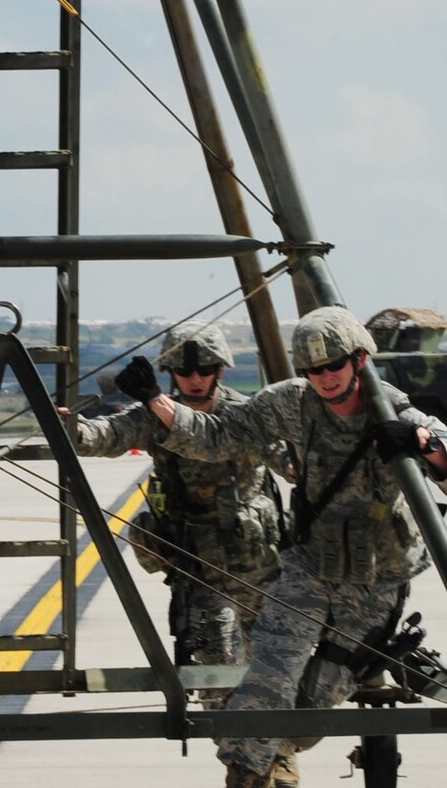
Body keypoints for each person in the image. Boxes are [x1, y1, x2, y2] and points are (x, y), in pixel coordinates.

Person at [92, 306, 447, 788]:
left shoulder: (397, 411)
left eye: (336, 366)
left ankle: (279, 751)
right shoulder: (291, 404)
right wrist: (159, 402)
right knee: (266, 677)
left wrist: (425, 449)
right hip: (308, 568)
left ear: (360, 360)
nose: (326, 378)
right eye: (314, 368)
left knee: (312, 703)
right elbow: (221, 436)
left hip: (375, 579)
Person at [71, 320, 289, 763]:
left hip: (259, 567)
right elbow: (107, 435)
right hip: (198, 569)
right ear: (170, 373)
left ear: (220, 371)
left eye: (204, 368)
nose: (194, 377)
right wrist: (71, 428)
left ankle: (281, 751)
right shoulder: (153, 417)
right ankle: (249, 764)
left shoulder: (244, 415)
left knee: (275, 669)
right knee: (216, 676)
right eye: (184, 370)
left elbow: (291, 462)